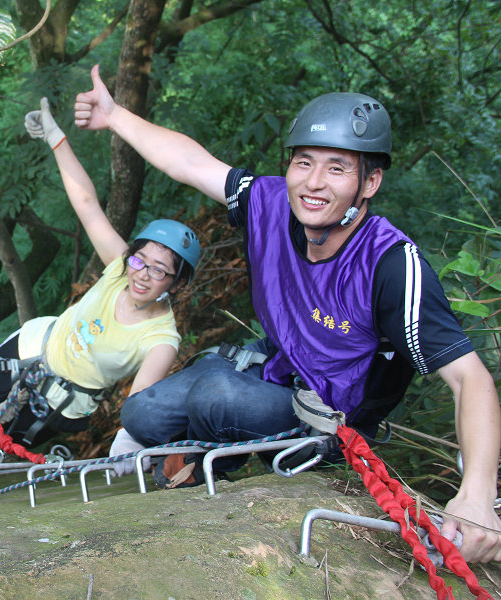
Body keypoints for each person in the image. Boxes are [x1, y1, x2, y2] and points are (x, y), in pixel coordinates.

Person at [73, 65, 501, 563]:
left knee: (214, 394)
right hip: (276, 366)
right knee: (140, 411)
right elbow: (191, 163)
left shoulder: (389, 264)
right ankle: (198, 445)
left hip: (331, 415)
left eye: (337, 168)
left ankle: (203, 461)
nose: (313, 183)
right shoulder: (272, 203)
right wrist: (114, 114)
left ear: (371, 181)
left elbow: (471, 379)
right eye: (303, 163)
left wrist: (475, 494)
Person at [0, 98, 202, 505]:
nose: (142, 274)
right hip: (36, 347)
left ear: (177, 283)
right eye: (141, 260)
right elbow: (87, 205)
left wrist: (129, 434)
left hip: (70, 396)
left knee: (16, 431)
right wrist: (56, 137)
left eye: (158, 270)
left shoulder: (161, 338)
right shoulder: (120, 268)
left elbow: (140, 398)